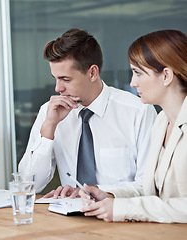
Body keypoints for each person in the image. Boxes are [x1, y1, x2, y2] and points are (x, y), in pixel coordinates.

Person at [18, 28, 157, 197]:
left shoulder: (138, 112)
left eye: (66, 79)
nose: (58, 88)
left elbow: (148, 186)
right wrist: (48, 128)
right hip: (71, 216)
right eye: (55, 78)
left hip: (121, 216)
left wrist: (97, 192)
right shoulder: (50, 112)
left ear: (92, 73)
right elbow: (27, 186)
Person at [80, 29, 187, 223]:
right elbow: (150, 191)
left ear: (166, 76)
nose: (133, 83)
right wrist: (110, 195)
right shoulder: (161, 121)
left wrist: (123, 208)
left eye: (138, 73)